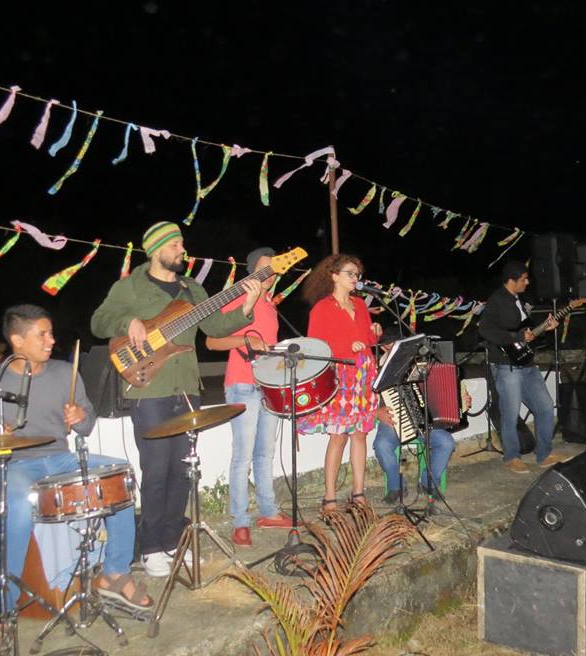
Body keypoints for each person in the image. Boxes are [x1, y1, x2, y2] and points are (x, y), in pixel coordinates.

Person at [0, 304, 150, 639]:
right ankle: (2, 612)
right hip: (12, 464)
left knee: (118, 473)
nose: (51, 340)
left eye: (51, 332)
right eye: (42, 334)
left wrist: (80, 417)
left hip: (59, 459)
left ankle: (115, 573)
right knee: (16, 505)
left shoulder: (64, 373)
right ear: (17, 340)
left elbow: (86, 424)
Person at [90, 221, 260, 578]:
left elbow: (215, 327)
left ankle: (172, 541)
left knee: (183, 471)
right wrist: (128, 322)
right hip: (148, 389)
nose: (183, 250)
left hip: (186, 388)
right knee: (156, 471)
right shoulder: (129, 286)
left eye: (181, 244)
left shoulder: (192, 288)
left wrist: (248, 303)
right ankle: (151, 547)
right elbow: (99, 321)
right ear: (156, 249)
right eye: (176, 245)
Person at [205, 247, 293, 547]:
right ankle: (240, 522)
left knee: (265, 453)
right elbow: (211, 341)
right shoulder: (240, 298)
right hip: (242, 384)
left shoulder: (270, 306)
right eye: (263, 269)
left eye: (273, 269)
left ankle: (268, 512)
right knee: (242, 456)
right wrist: (245, 339)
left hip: (269, 387)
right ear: (251, 272)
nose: (269, 274)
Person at [297, 254, 382, 512]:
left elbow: (367, 340)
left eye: (357, 274)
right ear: (334, 276)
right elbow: (315, 347)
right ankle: (330, 496)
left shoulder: (361, 305)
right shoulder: (322, 308)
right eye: (350, 273)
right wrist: (346, 346)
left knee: (360, 433)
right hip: (341, 375)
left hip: (364, 374)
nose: (355, 278)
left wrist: (374, 334)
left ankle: (359, 492)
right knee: (338, 436)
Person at [477, 260, 569, 474]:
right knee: (510, 413)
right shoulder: (497, 300)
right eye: (524, 279)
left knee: (545, 407)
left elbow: (527, 333)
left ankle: (544, 454)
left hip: (527, 364)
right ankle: (512, 457)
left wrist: (545, 328)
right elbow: (485, 330)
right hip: (506, 366)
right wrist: (516, 336)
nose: (527, 282)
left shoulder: (518, 300)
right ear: (512, 280)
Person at [372, 339, 458, 510]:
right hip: (392, 418)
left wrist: (461, 399)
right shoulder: (376, 368)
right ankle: (396, 486)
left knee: (446, 442)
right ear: (383, 347)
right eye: (390, 343)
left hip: (424, 420)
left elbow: (449, 388)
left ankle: (427, 482)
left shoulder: (424, 364)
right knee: (382, 445)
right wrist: (375, 412)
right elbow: (362, 399)